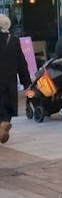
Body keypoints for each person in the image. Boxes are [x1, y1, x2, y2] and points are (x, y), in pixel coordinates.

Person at [0, 14, 30, 144]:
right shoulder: (14, 40)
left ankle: (1, 125)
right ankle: (5, 123)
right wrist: (26, 81)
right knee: (8, 105)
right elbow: (21, 63)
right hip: (10, 80)